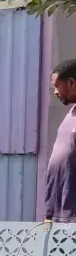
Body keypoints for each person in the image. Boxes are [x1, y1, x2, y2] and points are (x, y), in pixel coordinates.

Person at [45, 59, 76, 222]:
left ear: (71, 83)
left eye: (57, 86)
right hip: (59, 214)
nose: (55, 92)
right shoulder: (72, 113)